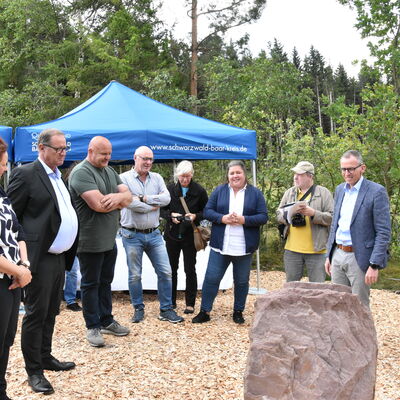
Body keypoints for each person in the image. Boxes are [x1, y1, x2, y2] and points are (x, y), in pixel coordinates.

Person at [7, 129, 78, 395]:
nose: (63, 153)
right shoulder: (26, 174)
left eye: (65, 149)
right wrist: (20, 261)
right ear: (41, 147)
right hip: (38, 257)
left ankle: (45, 356)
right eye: (58, 149)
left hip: (59, 257)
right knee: (36, 315)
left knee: (51, 312)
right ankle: (34, 371)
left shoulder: (59, 176)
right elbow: (10, 219)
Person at [69, 136, 132, 347]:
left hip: (109, 240)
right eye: (103, 153)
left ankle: (106, 320)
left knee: (105, 282)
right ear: (90, 151)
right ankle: (92, 326)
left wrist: (116, 198)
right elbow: (98, 205)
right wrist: (119, 200)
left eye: (109, 154)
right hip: (90, 241)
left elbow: (129, 198)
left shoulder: (109, 171)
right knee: (90, 284)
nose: (107, 158)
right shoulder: (81, 173)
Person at [192, 160, 268, 324]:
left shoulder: (255, 193)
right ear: (227, 176)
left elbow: (263, 216)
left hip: (243, 247)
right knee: (211, 278)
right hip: (221, 245)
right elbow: (207, 211)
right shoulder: (219, 191)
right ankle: (205, 311)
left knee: (241, 281)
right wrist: (223, 218)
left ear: (244, 174)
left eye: (238, 172)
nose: (235, 176)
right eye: (232, 173)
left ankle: (238, 311)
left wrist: (243, 220)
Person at [120, 146, 184, 323]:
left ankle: (166, 309)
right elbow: (128, 202)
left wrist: (143, 198)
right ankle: (138, 308)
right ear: (135, 158)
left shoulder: (157, 178)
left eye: (151, 159)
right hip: (131, 235)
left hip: (155, 234)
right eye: (144, 158)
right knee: (135, 275)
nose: (148, 162)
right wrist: (153, 204)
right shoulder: (123, 178)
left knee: (165, 272)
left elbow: (167, 199)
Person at [325, 150, 391, 307]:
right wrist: (329, 255)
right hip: (338, 254)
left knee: (360, 308)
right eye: (343, 169)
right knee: (338, 305)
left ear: (363, 168)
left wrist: (374, 264)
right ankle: (342, 333)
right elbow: (335, 224)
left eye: (351, 169)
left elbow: (383, 232)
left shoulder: (376, 192)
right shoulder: (340, 189)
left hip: (360, 258)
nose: (347, 173)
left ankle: (363, 333)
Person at [0, 138, 32, 400]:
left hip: (11, 276)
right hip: (6, 275)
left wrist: (24, 264)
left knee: (6, 339)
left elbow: (18, 231)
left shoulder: (2, 193)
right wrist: (18, 271)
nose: (3, 168)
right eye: (1, 164)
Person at [160, 160, 208, 314]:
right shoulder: (169, 190)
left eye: (187, 176)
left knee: (190, 269)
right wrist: (170, 215)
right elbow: (161, 209)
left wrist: (195, 216)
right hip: (172, 235)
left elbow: (207, 211)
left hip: (189, 236)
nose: (185, 180)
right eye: (182, 177)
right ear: (177, 176)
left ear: (192, 175)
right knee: (171, 270)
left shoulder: (199, 191)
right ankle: (171, 301)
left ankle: (190, 303)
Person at [277, 161, 333, 282]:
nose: (295, 177)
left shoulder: (324, 193)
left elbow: (332, 218)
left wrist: (313, 213)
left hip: (317, 251)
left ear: (310, 176)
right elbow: (278, 215)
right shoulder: (289, 193)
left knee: (317, 289)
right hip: (292, 250)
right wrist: (288, 215)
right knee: (291, 288)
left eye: (299, 174)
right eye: (295, 174)